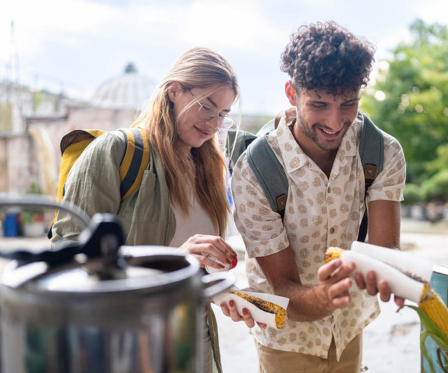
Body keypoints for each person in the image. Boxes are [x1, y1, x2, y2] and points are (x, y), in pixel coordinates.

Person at [228, 22, 406, 372]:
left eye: (348, 104)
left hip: (348, 329)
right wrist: (324, 299)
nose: (335, 121)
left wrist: (391, 274)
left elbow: (385, 251)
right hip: (285, 338)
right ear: (291, 93)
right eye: (319, 104)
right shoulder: (255, 171)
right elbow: (282, 287)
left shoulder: (381, 151)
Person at [51, 47, 241, 373]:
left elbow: (195, 270)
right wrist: (173, 261)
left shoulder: (209, 167)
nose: (213, 124)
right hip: (127, 347)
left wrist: (225, 293)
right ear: (174, 90)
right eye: (207, 108)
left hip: (194, 343)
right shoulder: (117, 151)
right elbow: (68, 255)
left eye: (223, 114)